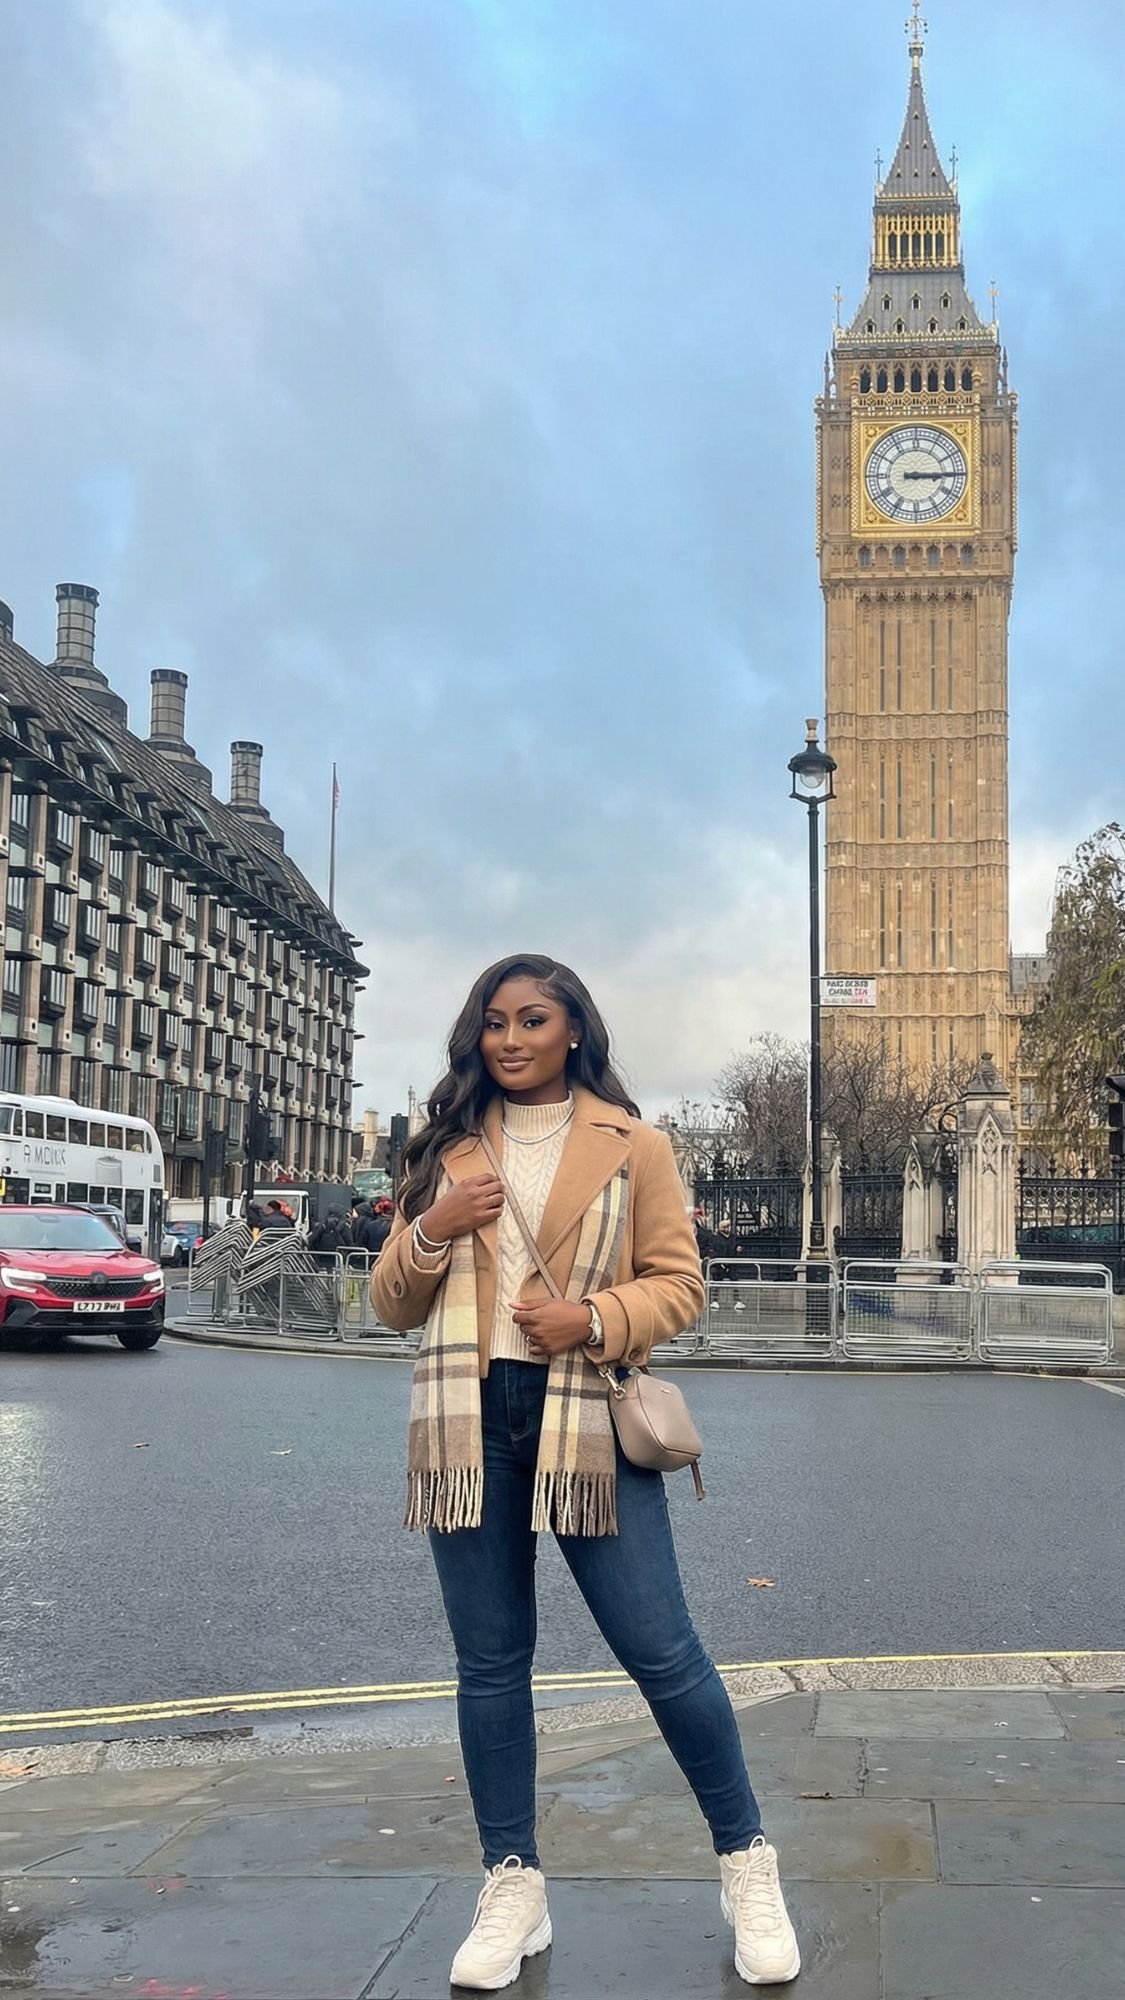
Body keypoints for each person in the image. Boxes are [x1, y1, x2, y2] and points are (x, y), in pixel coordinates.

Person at [371, 954, 799, 1991]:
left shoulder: (632, 1141)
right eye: (493, 1022)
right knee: (490, 1663)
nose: (509, 1038)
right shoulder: (447, 1147)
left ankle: (748, 1861)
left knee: (664, 1651)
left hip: (586, 1419)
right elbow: (390, 1300)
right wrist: (434, 1225)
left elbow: (679, 1284)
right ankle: (512, 1881)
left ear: (573, 1030)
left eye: (532, 1019)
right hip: (470, 1420)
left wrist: (593, 1317)